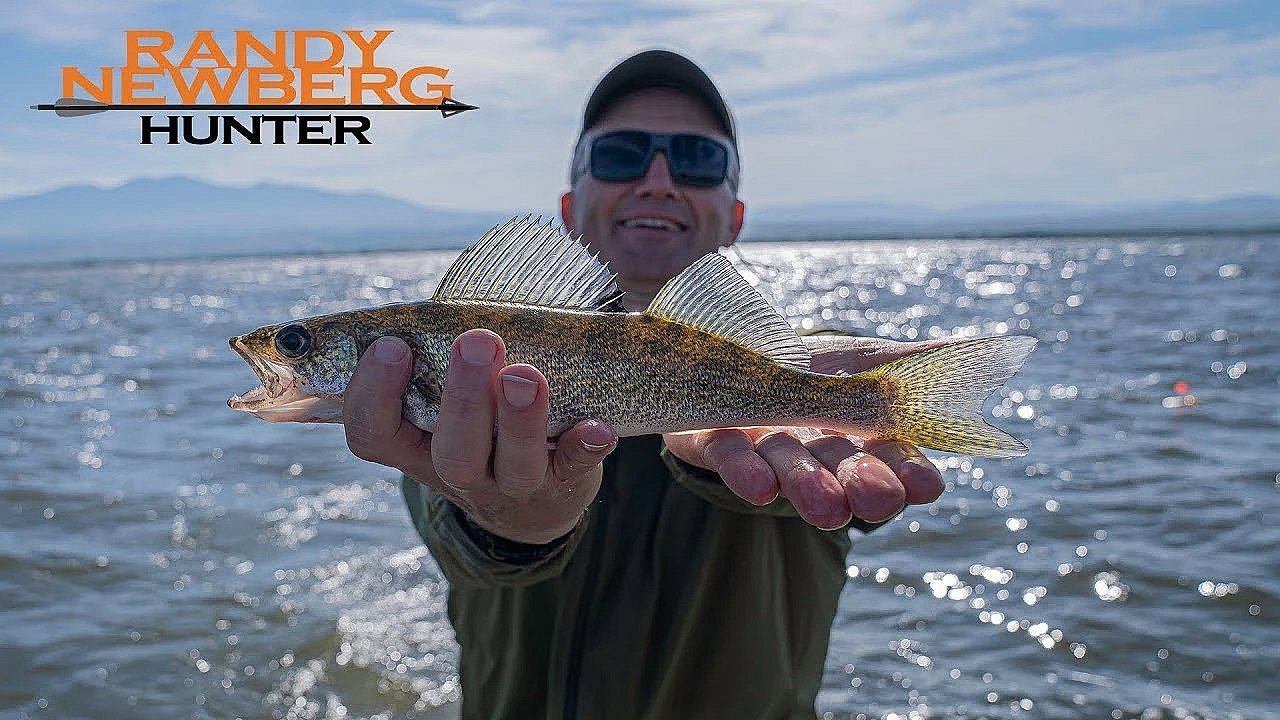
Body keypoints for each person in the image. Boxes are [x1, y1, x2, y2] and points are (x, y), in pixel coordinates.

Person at [341, 49, 946, 719]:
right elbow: (462, 549)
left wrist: (735, 454)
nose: (658, 180)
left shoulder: (800, 366)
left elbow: (829, 488)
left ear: (736, 216)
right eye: (622, 155)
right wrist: (510, 522)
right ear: (569, 207)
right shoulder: (463, 379)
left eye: (696, 160)